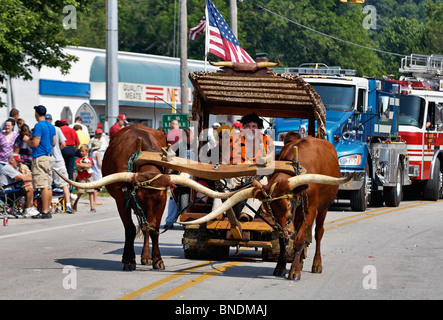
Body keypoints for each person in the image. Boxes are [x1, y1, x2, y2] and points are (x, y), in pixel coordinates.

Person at [222, 112, 274, 222]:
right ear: (243, 128)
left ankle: (246, 214)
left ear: (259, 128)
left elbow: (271, 165)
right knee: (221, 181)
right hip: (234, 175)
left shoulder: (267, 141)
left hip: (256, 177)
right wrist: (228, 172)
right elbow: (224, 163)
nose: (250, 129)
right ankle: (218, 211)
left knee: (264, 183)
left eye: (254, 126)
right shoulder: (231, 140)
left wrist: (266, 161)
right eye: (247, 126)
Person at [22, 105, 56, 219]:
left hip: (40, 157)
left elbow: (35, 143)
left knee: (43, 186)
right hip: (49, 156)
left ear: (36, 113)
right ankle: (48, 210)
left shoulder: (38, 125)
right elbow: (54, 142)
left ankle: (45, 211)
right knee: (48, 185)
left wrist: (28, 140)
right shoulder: (51, 126)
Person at [46, 114, 74, 213]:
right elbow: (63, 143)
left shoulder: (42, 128)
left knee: (48, 185)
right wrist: (57, 150)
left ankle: (48, 206)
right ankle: (68, 205)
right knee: (64, 184)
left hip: (47, 159)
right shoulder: (57, 129)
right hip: (58, 159)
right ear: (51, 120)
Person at [0, 154, 40, 218]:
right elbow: (22, 178)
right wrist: (38, 178)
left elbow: (25, 177)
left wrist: (30, 175)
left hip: (11, 190)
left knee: (28, 185)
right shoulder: (7, 168)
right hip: (6, 193)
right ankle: (28, 209)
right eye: (17, 161)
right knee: (29, 188)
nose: (19, 163)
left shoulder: (13, 169)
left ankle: (28, 208)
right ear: (11, 161)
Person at [73, 144, 95, 212]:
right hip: (81, 177)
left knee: (91, 191)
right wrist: (84, 165)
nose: (81, 153)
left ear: (86, 151)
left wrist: (82, 165)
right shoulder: (78, 159)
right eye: (80, 151)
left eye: (83, 151)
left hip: (89, 176)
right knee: (80, 192)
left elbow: (90, 165)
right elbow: (77, 165)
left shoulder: (90, 159)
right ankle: (75, 204)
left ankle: (92, 206)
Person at [90, 139, 103, 206]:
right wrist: (102, 168)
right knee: (97, 185)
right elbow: (99, 163)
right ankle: (95, 200)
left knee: (95, 185)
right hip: (97, 170)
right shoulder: (97, 153)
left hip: (93, 170)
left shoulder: (91, 153)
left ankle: (94, 199)